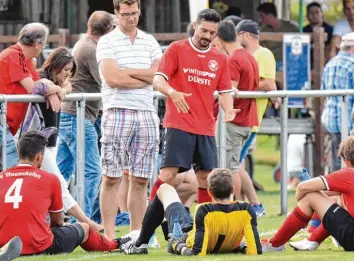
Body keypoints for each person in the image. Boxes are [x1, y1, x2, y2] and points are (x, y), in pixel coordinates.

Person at [150, 9, 238, 206]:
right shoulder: (176, 49)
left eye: (212, 33)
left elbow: (225, 91)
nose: (207, 36)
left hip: (205, 127)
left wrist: (229, 109)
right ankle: (150, 222)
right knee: (167, 175)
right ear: (195, 26)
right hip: (178, 124)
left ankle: (203, 226)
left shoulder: (220, 58)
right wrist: (172, 92)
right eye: (204, 30)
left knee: (206, 179)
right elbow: (158, 80)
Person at [0, 131, 126, 257]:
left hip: (4, 243)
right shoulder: (50, 179)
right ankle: (116, 245)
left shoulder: (2, 177)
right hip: (39, 246)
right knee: (84, 228)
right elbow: (58, 222)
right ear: (39, 157)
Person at [97, 0, 163, 240]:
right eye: (126, 14)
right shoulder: (107, 41)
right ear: (116, 13)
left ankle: (137, 234)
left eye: (135, 13)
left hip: (146, 112)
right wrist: (144, 75)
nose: (132, 18)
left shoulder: (149, 40)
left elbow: (160, 75)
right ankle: (110, 235)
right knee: (111, 176)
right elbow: (113, 78)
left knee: (141, 179)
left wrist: (129, 72)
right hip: (116, 110)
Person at [57, 10, 114, 220]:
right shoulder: (91, 49)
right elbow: (107, 81)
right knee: (92, 170)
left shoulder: (86, 44)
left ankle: (50, 217)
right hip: (78, 116)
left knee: (61, 172)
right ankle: (86, 219)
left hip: (75, 115)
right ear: (108, 30)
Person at [124, 168, 262, 255]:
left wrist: (179, 246)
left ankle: (140, 244)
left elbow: (196, 250)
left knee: (164, 189)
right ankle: (161, 230)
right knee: (169, 201)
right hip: (220, 241)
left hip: (187, 235)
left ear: (209, 191)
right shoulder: (246, 209)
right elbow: (255, 249)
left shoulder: (204, 210)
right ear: (233, 189)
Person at [262, 136, 354, 252]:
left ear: (347, 161)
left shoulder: (349, 173)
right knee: (337, 200)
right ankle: (312, 240)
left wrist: (302, 203)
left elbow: (302, 187)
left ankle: (274, 244)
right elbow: (329, 195)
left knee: (310, 197)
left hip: (352, 237)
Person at [0, 22, 64, 171]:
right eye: (44, 44)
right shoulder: (13, 55)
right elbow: (34, 87)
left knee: (11, 172)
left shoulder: (23, 58)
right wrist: (56, 89)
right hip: (3, 125)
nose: (43, 48)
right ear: (37, 43)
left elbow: (39, 82)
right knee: (14, 171)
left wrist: (52, 91)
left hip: (6, 125)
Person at [212, 21, 259, 202]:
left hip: (235, 121)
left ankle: (233, 204)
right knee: (235, 166)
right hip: (247, 119)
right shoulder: (249, 56)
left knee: (230, 168)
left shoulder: (233, 59)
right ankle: (235, 203)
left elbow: (229, 91)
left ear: (219, 38)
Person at [234, 19, 277, 216]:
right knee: (237, 165)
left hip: (250, 120)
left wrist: (239, 86)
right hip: (240, 119)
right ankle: (243, 207)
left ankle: (255, 205)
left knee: (234, 165)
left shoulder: (264, 54)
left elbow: (268, 83)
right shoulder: (246, 55)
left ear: (245, 35)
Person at [321, 32, 354, 172]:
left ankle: (335, 189)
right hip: (348, 121)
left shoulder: (329, 64)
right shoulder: (353, 65)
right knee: (349, 161)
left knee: (337, 158)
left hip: (330, 120)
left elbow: (323, 92)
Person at [257, 2, 298, 71]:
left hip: (288, 63)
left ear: (270, 15)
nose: (260, 19)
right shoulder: (263, 31)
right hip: (269, 64)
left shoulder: (291, 28)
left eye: (262, 16)